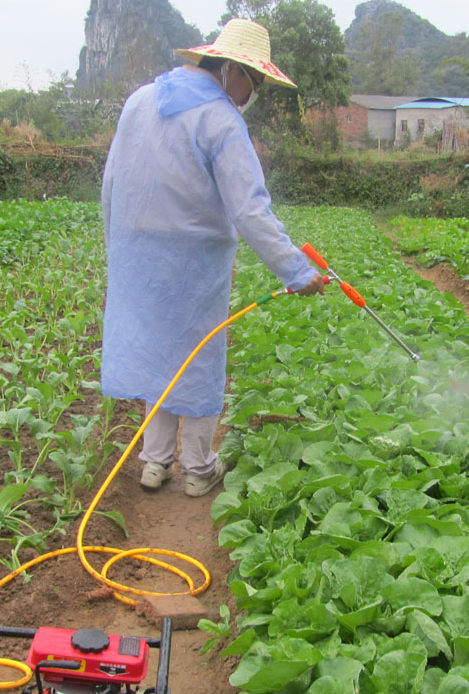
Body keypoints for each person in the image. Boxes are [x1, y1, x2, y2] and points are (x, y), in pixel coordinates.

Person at [100, 18, 325, 497]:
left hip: (137, 255)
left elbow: (111, 183)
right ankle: (199, 469)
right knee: (198, 357)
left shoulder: (140, 101)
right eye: (255, 81)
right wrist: (297, 270)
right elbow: (249, 208)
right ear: (231, 70)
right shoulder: (220, 119)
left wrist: (116, 248)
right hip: (192, 261)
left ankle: (155, 462)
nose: (251, 93)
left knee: (159, 355)